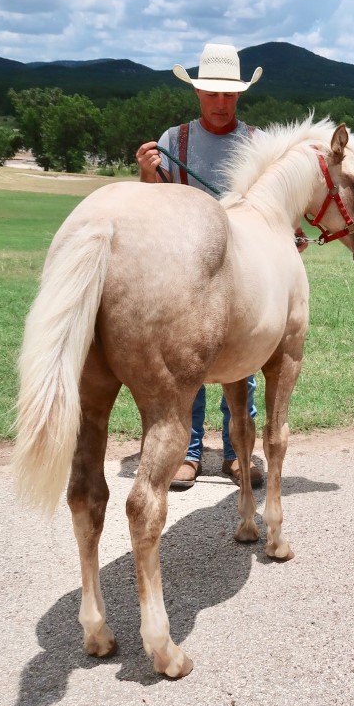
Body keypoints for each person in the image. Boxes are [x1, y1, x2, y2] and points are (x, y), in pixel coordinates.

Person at [136, 42, 308, 490]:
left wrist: (288, 241)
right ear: (197, 94)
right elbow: (155, 206)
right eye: (211, 94)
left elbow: (280, 207)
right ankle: (188, 453)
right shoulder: (176, 141)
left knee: (244, 359)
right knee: (185, 366)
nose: (219, 103)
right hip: (187, 271)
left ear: (239, 96)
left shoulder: (258, 143)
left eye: (228, 95)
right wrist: (147, 174)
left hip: (244, 270)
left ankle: (238, 453)